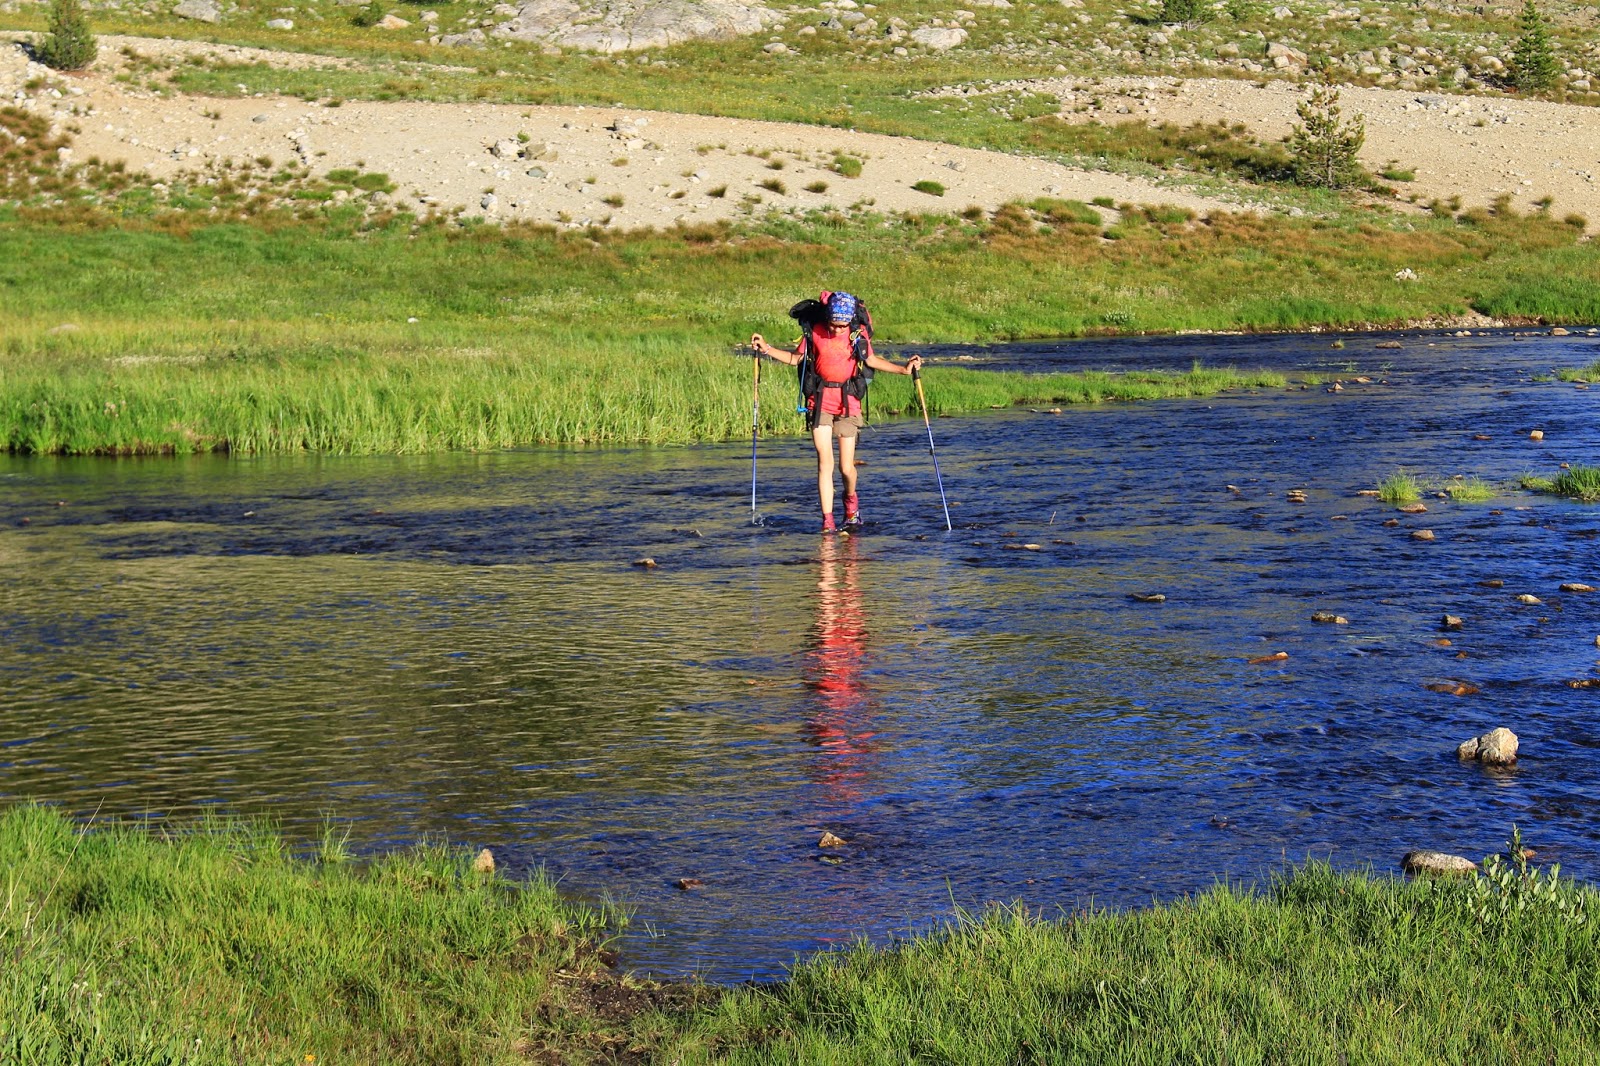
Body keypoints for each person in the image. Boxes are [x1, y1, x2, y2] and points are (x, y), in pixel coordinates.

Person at [750, 291, 922, 533]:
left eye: (843, 325)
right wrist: (766, 348)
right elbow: (795, 359)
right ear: (828, 318)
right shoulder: (815, 332)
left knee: (846, 468)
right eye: (834, 324)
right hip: (819, 401)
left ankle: (851, 505)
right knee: (825, 463)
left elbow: (871, 361)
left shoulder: (856, 334)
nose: (839, 329)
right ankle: (828, 521)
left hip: (848, 402)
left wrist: (903, 370)